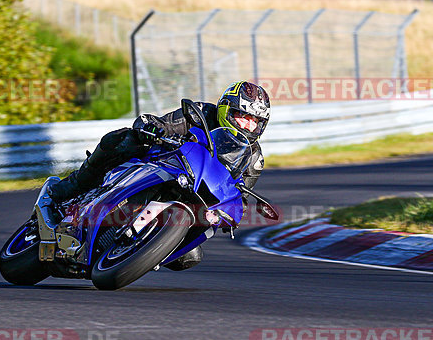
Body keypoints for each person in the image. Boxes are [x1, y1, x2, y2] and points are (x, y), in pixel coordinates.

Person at [47, 81, 271, 270]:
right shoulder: (200, 113)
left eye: (255, 121)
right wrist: (153, 128)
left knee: (190, 257)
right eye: (242, 116)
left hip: (198, 194)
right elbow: (163, 124)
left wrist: (230, 215)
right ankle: (72, 186)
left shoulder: (254, 158)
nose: (248, 125)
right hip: (166, 163)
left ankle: (139, 252)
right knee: (120, 140)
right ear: (225, 109)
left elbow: (240, 194)